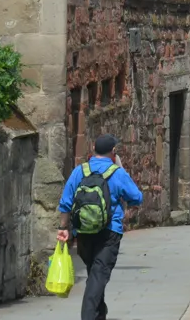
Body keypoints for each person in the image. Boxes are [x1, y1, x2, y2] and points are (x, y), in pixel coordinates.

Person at [57, 134, 144, 320]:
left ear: (93, 148)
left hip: (83, 233)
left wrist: (63, 227)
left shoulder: (79, 171)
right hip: (109, 233)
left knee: (95, 274)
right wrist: (120, 167)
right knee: (98, 277)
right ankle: (88, 316)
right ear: (113, 152)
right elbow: (137, 197)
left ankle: (99, 315)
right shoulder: (117, 173)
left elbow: (65, 203)